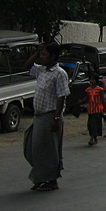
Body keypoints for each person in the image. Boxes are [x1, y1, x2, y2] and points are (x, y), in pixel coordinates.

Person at [23, 42, 69, 192]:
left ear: (54, 56)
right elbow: (27, 66)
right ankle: (42, 176)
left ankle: (51, 180)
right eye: (41, 55)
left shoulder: (59, 73)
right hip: (38, 115)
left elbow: (61, 96)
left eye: (45, 55)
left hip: (49, 116)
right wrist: (37, 53)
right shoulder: (41, 70)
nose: (42, 58)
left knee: (49, 150)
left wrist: (56, 118)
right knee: (31, 146)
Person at [80, 74, 105, 146]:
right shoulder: (88, 89)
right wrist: (81, 102)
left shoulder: (99, 89)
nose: (92, 81)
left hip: (98, 109)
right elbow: (86, 98)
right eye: (91, 79)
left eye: (93, 79)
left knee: (94, 124)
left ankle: (92, 138)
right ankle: (94, 137)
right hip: (90, 109)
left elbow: (103, 100)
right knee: (90, 125)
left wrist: (105, 110)